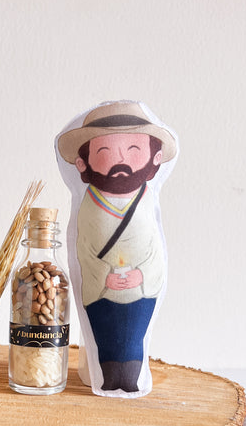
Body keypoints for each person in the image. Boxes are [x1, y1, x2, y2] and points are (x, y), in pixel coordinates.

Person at [56, 101, 177, 395]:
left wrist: (142, 275)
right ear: (83, 164)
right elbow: (84, 251)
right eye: (104, 151)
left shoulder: (146, 200)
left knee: (134, 338)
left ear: (155, 158)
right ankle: (107, 377)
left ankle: (131, 377)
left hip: (140, 290)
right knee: (104, 337)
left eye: (134, 149)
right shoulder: (89, 205)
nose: (121, 160)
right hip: (102, 291)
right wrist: (102, 277)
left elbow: (155, 251)